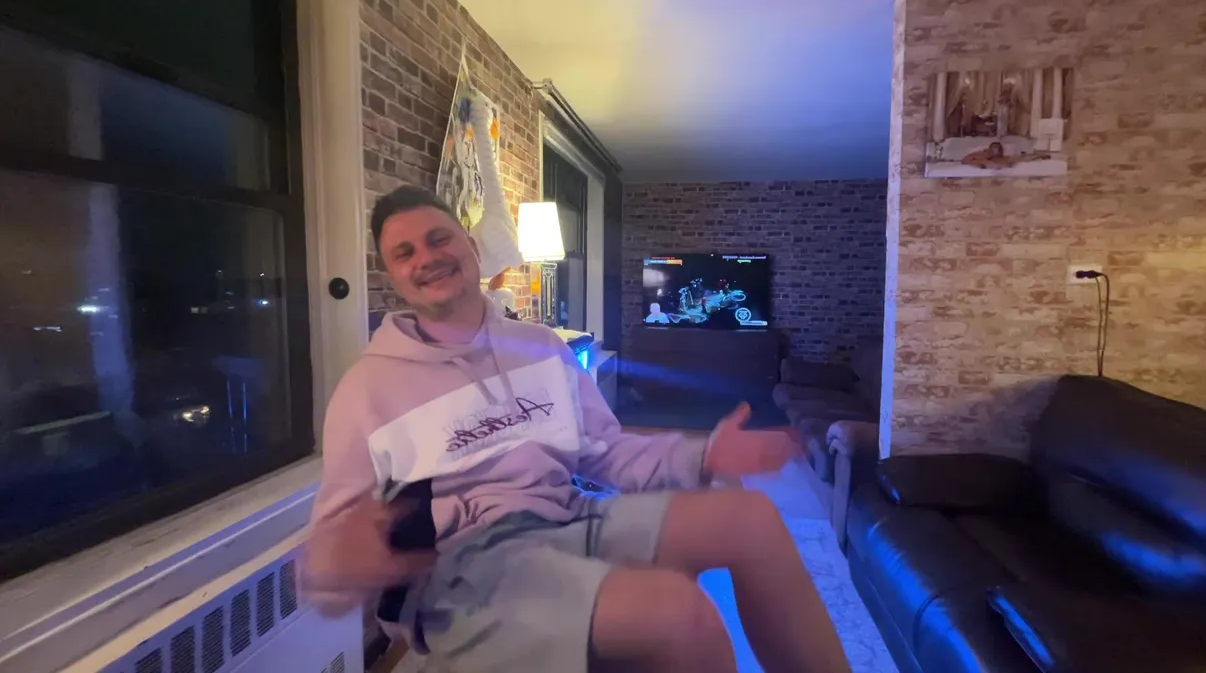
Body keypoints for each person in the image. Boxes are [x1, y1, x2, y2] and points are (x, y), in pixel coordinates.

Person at [302, 184, 850, 673]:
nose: (426, 257)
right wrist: (342, 563)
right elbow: (331, 547)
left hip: (569, 514)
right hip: (466, 564)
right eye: (405, 253)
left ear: (471, 248)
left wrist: (703, 455)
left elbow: (604, 449)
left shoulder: (541, 347)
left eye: (438, 239)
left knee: (751, 519)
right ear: (394, 277)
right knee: (681, 616)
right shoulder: (367, 388)